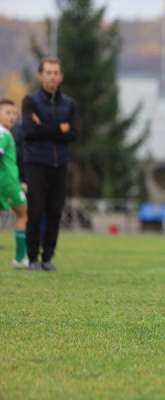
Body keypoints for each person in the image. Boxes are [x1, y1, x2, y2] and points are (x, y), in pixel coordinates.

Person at [21, 58, 78, 272]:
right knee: (35, 212)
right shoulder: (30, 101)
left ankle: (47, 257)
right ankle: (32, 258)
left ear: (61, 76)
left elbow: (73, 134)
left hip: (60, 165)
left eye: (56, 73)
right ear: (40, 75)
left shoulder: (69, 104)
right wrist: (58, 129)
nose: (52, 76)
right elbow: (29, 132)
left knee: (55, 212)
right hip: (35, 163)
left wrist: (44, 127)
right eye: (48, 72)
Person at [0, 99, 28, 269]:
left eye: (14, 113)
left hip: (8, 181)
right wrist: (15, 184)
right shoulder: (3, 134)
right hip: (7, 183)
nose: (12, 116)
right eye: (7, 113)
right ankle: (19, 258)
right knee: (23, 213)